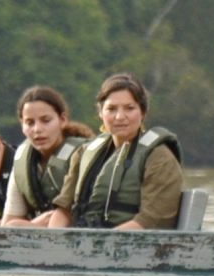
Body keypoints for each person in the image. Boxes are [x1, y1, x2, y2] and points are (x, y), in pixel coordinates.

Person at [43, 73, 185, 230]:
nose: (119, 117)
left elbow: (150, 221)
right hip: (84, 239)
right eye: (111, 109)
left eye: (129, 108)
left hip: (131, 242)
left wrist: (100, 242)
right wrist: (54, 240)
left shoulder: (160, 158)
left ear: (143, 112)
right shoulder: (82, 153)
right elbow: (64, 210)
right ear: (100, 113)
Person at [0, 86, 91, 228]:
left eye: (46, 120)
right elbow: (8, 224)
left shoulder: (84, 156)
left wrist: (27, 226)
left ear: (62, 120)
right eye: (30, 123)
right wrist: (35, 224)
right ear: (22, 126)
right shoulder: (22, 161)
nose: (37, 129)